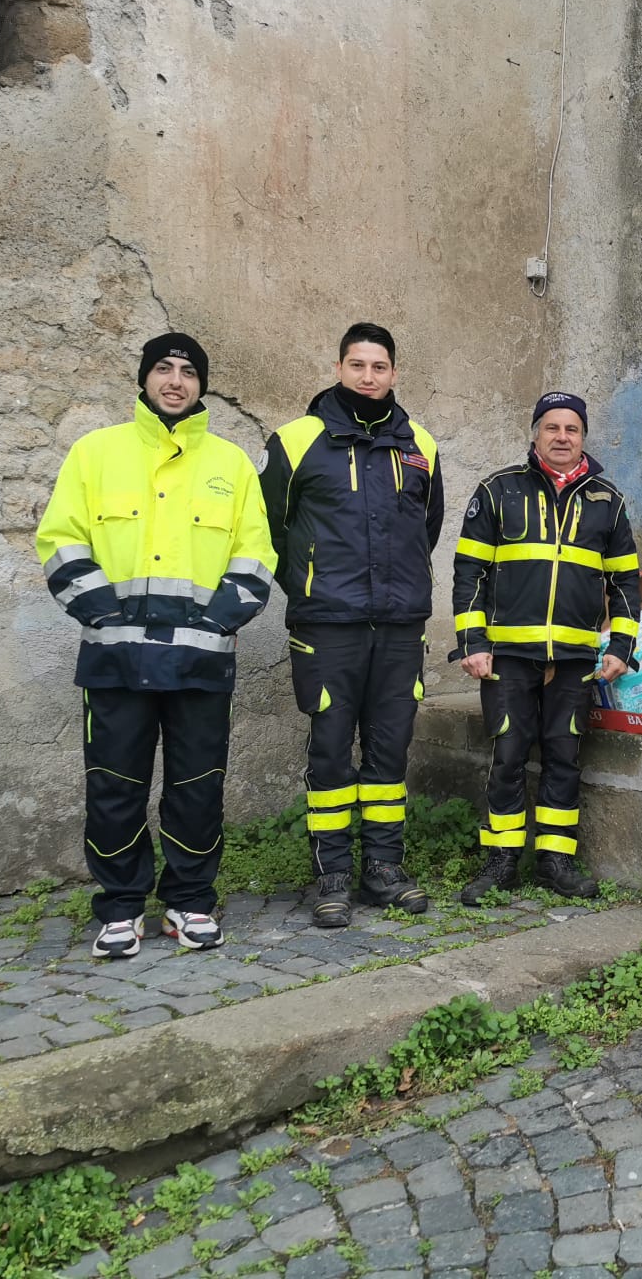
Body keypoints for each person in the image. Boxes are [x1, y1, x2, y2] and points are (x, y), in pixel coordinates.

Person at [36, 332, 276, 959]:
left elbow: (256, 552)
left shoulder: (230, 465)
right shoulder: (96, 454)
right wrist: (102, 610)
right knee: (114, 786)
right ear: (144, 379)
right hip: (116, 658)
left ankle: (190, 901)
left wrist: (220, 620)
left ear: (203, 384)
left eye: (189, 371)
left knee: (197, 787)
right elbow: (60, 539)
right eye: (164, 369)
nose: (175, 381)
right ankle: (119, 907)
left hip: (200, 660)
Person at [259, 324, 444, 926]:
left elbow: (427, 526)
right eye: (358, 365)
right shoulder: (295, 441)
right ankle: (332, 872)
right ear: (339, 367)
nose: (369, 376)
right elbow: (271, 530)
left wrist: (401, 586)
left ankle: (384, 868)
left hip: (398, 626)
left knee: (390, 752)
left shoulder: (421, 445)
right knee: (333, 752)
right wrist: (310, 587)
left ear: (394, 373)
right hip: (328, 625)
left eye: (380, 366)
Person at [450, 391, 640, 904]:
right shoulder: (498, 491)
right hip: (508, 654)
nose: (561, 437)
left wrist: (621, 645)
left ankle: (555, 860)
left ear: (583, 439)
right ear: (535, 433)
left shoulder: (608, 500)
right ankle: (502, 859)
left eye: (571, 429)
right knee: (508, 753)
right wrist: (472, 641)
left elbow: (625, 583)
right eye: (551, 427)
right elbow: (470, 570)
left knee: (564, 755)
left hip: (577, 658)